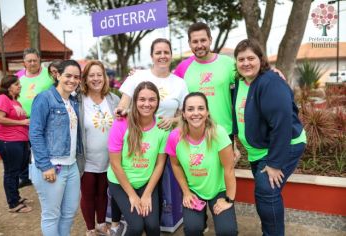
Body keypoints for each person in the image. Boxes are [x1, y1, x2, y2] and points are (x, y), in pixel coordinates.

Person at [232, 39, 306, 236]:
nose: (246, 63)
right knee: (265, 194)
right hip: (259, 149)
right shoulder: (240, 83)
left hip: (284, 145)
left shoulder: (270, 82)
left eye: (251, 58)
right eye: (241, 59)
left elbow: (282, 125)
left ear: (261, 59)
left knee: (266, 192)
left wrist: (274, 163)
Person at [165, 92, 238, 236]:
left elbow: (228, 169)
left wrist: (228, 199)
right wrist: (186, 192)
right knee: (192, 229)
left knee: (227, 231)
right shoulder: (175, 137)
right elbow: (176, 165)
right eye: (190, 109)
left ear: (207, 112)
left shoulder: (219, 133)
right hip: (194, 190)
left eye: (200, 108)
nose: (196, 113)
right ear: (183, 114)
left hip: (219, 189)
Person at [29, 60, 83, 236]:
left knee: (69, 212)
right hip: (51, 166)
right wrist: (45, 166)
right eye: (68, 75)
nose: (72, 80)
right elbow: (35, 133)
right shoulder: (44, 98)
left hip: (71, 165)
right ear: (57, 75)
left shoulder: (73, 101)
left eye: (76, 77)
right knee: (51, 215)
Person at [107, 81, 168, 236]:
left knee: (153, 226)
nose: (147, 104)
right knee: (136, 226)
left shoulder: (162, 127)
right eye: (142, 99)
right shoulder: (121, 123)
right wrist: (132, 196)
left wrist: (147, 194)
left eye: (152, 99)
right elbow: (115, 164)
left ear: (158, 102)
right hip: (120, 182)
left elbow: (160, 164)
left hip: (145, 182)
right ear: (135, 101)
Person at [78, 60, 124, 236]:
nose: (96, 79)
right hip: (87, 158)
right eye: (92, 75)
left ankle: (101, 223)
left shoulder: (114, 99)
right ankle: (91, 228)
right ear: (85, 79)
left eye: (99, 75)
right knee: (88, 194)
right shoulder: (79, 101)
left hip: (110, 158)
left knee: (103, 194)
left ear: (105, 77)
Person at [115, 38, 188, 130]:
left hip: (165, 138)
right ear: (151, 56)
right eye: (158, 53)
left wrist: (172, 120)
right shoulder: (136, 76)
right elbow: (123, 105)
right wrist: (120, 110)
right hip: (137, 136)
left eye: (166, 52)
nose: (162, 56)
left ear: (171, 55)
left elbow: (186, 115)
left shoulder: (180, 83)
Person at [0, 75, 32, 213]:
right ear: (8, 86)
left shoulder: (15, 101)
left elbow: (19, 118)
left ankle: (15, 196)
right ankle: (13, 204)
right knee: (11, 172)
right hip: (8, 141)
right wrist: (21, 122)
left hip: (19, 141)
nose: (19, 86)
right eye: (16, 84)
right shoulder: (2, 98)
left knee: (16, 171)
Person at [17, 48, 54, 188]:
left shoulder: (49, 74)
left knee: (42, 147)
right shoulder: (18, 76)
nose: (32, 63)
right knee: (24, 151)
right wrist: (14, 105)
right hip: (23, 120)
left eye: (35, 60)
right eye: (29, 61)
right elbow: (10, 93)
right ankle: (25, 176)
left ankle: (45, 173)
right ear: (24, 63)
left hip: (46, 119)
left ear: (40, 60)